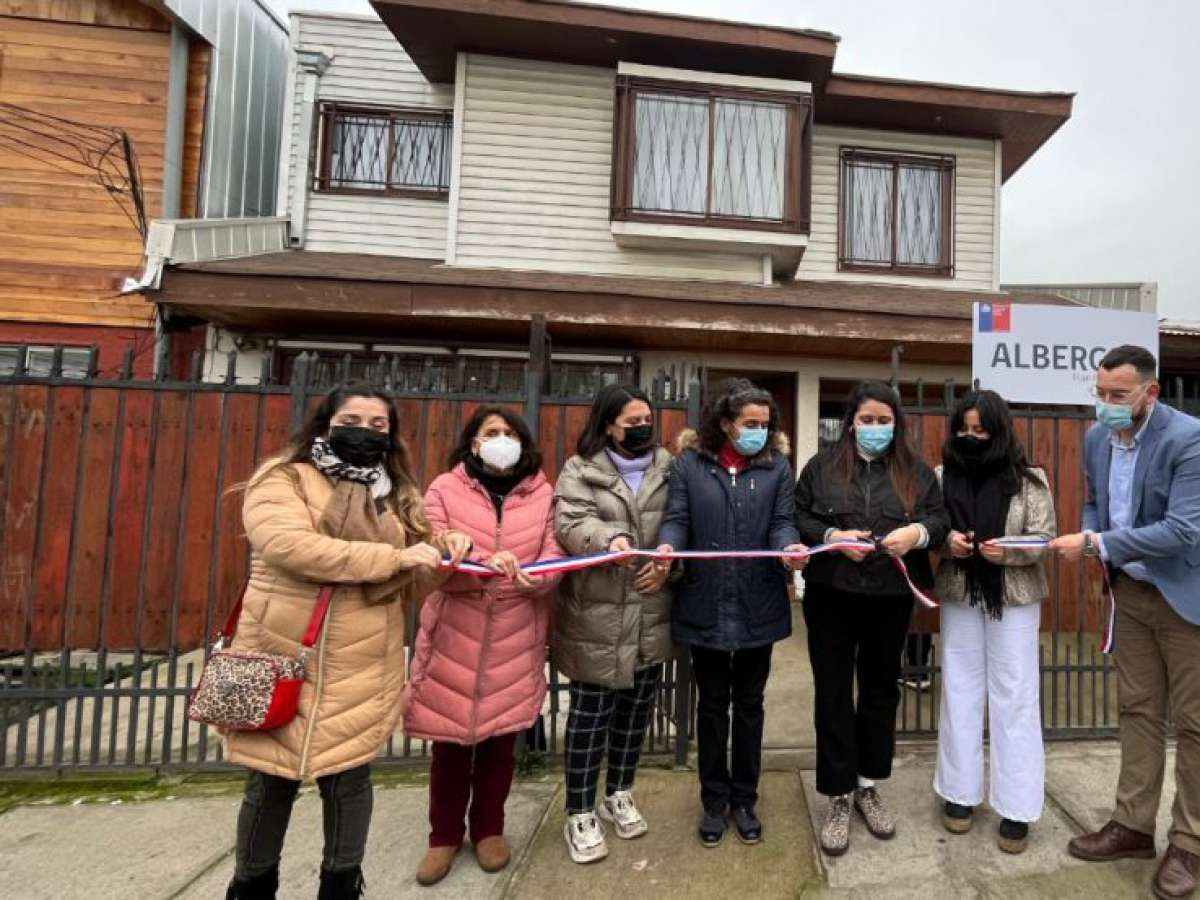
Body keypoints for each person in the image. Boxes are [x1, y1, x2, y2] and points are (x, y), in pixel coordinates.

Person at [223, 383, 470, 900]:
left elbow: (413, 579)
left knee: (350, 782)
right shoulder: (283, 478)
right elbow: (289, 546)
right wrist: (395, 558)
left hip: (362, 661)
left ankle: (341, 886)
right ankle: (251, 885)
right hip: (283, 652)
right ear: (326, 424)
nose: (366, 431)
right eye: (353, 419)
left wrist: (443, 554)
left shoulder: (396, 495)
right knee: (270, 783)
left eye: (379, 425)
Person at [1051, 345, 1200, 900]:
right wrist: (1098, 543)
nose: (1107, 405)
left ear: (1150, 392)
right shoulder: (1097, 440)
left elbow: (1182, 530)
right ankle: (1133, 826)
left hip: (1186, 596)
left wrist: (1094, 542)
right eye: (1101, 394)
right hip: (1130, 593)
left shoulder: (1188, 440)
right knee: (1137, 712)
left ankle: (1189, 844)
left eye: (1119, 395)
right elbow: (1094, 502)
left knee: (1194, 725)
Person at [404, 405, 563, 887]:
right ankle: (444, 835)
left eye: (509, 432)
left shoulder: (543, 492)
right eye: (490, 432)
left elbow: (556, 553)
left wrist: (532, 575)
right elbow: (427, 542)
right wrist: (458, 551)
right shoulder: (444, 488)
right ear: (472, 442)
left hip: (516, 629)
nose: (501, 439)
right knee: (450, 741)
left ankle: (490, 828)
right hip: (456, 627)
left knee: (501, 739)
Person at [794, 380, 949, 857]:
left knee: (881, 690)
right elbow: (799, 516)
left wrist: (917, 533)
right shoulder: (821, 468)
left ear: (896, 424)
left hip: (889, 595)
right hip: (832, 593)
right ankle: (838, 795)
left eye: (884, 421)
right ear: (851, 423)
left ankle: (868, 784)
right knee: (835, 691)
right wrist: (834, 534)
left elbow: (940, 520)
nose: (876, 428)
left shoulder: (916, 472)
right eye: (867, 420)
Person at [656, 377, 809, 848]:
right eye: (750, 423)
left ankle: (745, 798)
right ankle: (712, 802)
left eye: (765, 424)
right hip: (705, 600)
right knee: (711, 707)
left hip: (757, 603)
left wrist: (789, 550)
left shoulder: (777, 468)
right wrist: (668, 546)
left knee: (750, 706)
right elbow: (678, 517)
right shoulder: (690, 465)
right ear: (725, 423)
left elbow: (783, 521)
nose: (758, 431)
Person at [552, 384, 675, 864]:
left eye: (648, 418)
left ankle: (619, 791)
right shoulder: (581, 470)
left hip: (649, 610)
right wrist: (611, 539)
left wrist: (669, 562)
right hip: (596, 616)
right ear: (608, 425)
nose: (643, 427)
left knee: (634, 716)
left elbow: (680, 525)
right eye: (632, 421)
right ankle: (579, 811)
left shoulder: (670, 467)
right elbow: (570, 523)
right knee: (588, 721)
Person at [932, 389, 1056, 854]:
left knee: (1015, 695)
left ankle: (1017, 807)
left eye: (979, 430)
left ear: (998, 431)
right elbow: (930, 527)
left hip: (1014, 597)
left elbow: (1043, 537)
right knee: (960, 690)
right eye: (963, 429)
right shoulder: (942, 475)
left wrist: (1010, 552)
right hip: (961, 592)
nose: (970, 437)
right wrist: (949, 546)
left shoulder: (1028, 479)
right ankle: (959, 795)